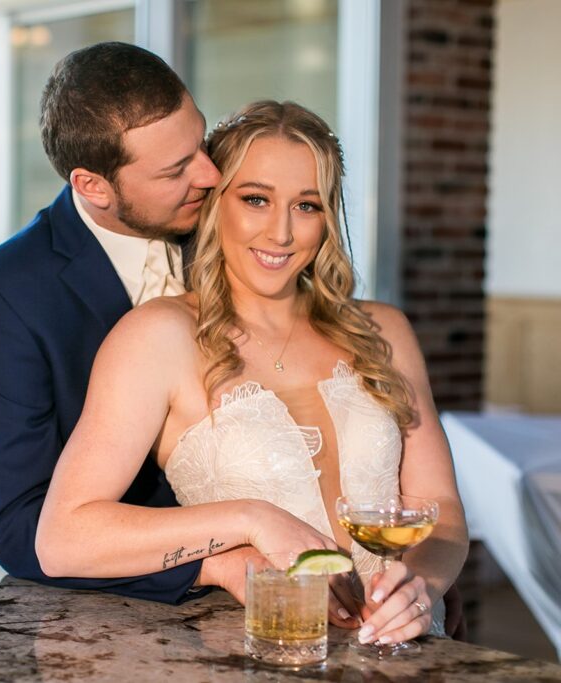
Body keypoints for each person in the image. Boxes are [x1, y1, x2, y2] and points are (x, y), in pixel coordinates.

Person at [35, 100, 469, 644]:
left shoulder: (383, 329)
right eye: (256, 199)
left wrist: (423, 586)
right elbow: (63, 539)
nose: (282, 233)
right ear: (216, 203)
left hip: (408, 646)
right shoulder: (158, 338)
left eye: (307, 205)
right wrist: (249, 519)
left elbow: (443, 509)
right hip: (265, 648)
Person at [0, 42, 228, 604]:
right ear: (93, 186)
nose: (209, 173)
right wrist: (209, 567)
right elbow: (18, 527)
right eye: (176, 169)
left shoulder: (242, 224)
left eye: (199, 142)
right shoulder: (8, 291)